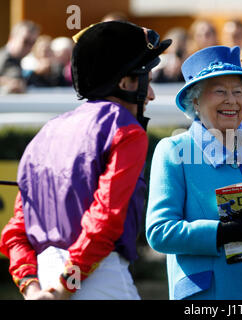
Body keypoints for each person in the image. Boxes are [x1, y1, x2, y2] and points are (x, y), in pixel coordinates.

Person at [0, 21, 171, 300]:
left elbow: (16, 232)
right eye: (148, 82)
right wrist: (65, 286)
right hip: (96, 277)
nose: (151, 95)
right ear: (126, 82)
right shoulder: (127, 130)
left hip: (43, 282)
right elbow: (104, 220)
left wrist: (33, 288)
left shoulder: (44, 133)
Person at [146, 45, 242, 300]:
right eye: (220, 91)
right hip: (211, 296)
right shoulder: (175, 150)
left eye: (238, 92)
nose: (231, 100)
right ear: (195, 100)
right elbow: (160, 231)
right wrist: (222, 233)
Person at [0, 21, 39, 94]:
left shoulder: (19, 58)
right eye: (25, 41)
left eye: (33, 42)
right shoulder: (4, 58)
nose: (29, 47)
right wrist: (7, 82)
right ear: (12, 38)